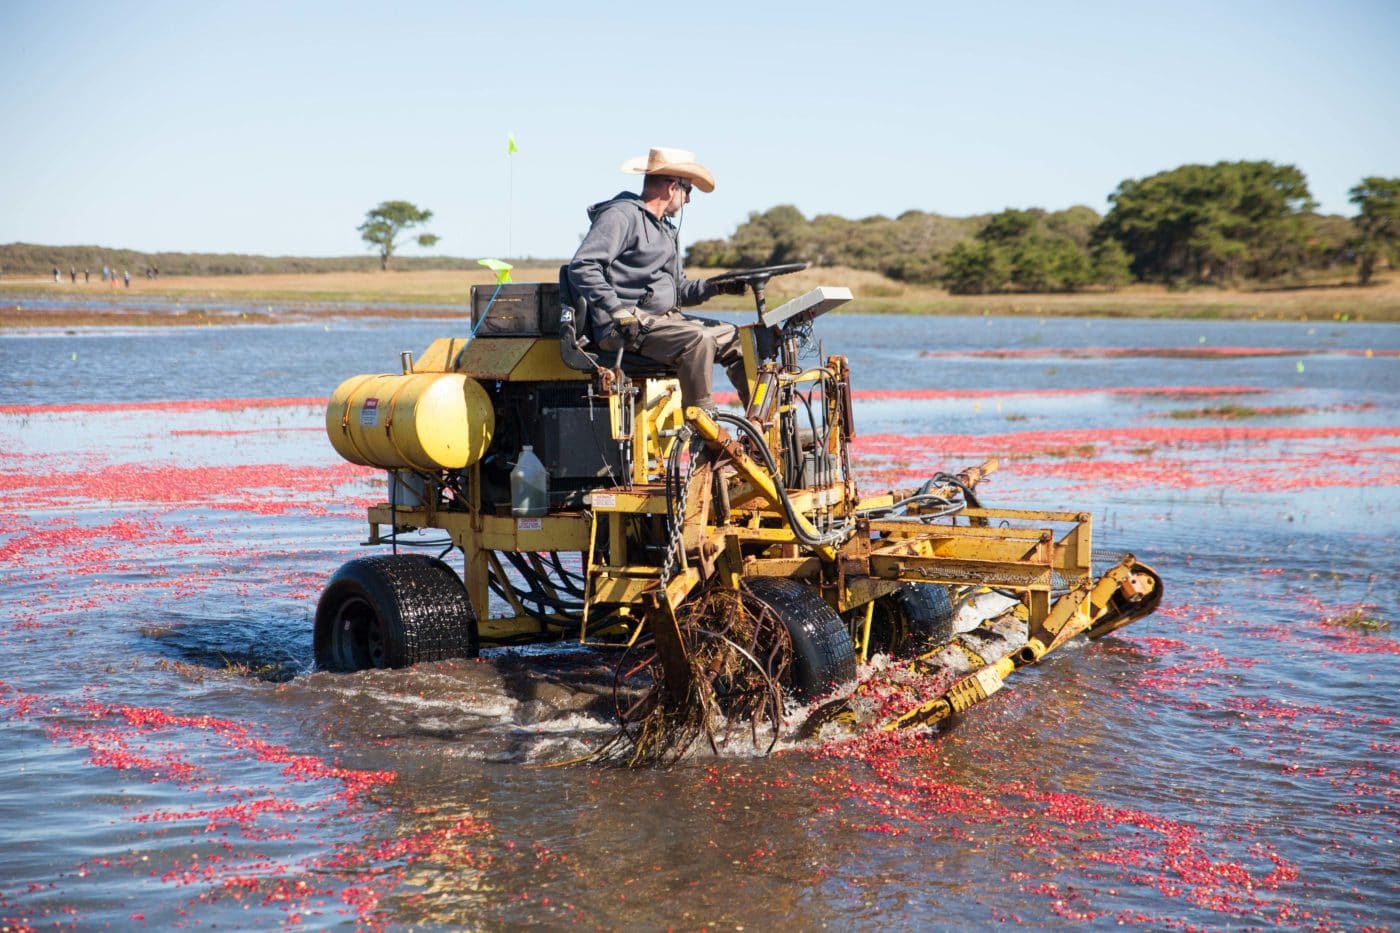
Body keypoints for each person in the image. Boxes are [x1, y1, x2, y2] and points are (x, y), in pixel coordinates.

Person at [567, 147, 747, 415]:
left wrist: (716, 287)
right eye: (688, 191)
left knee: (740, 338)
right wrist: (617, 310)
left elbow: (679, 291)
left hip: (663, 322)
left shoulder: (667, 230)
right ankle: (704, 432)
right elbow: (583, 266)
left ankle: (759, 427)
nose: (689, 200)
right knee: (697, 340)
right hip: (623, 327)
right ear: (673, 187)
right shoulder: (620, 216)